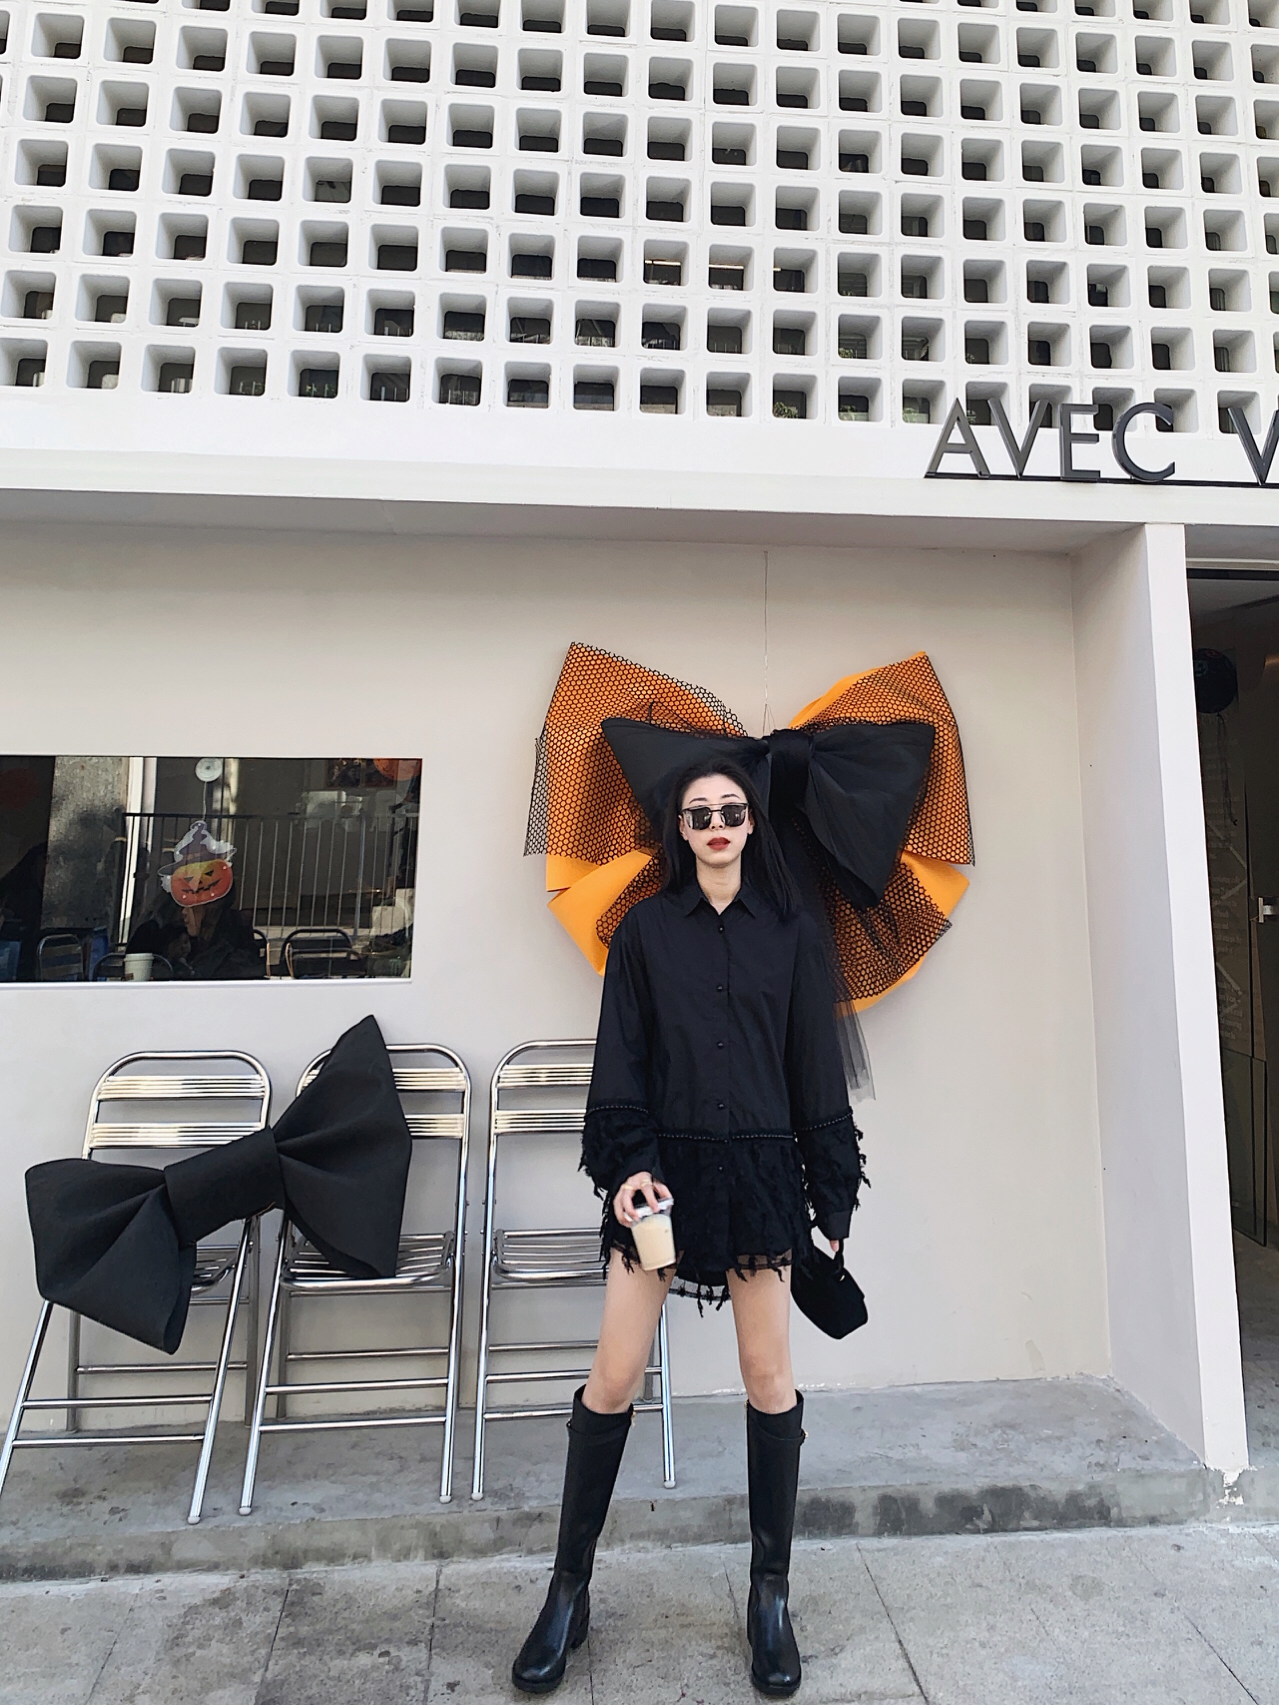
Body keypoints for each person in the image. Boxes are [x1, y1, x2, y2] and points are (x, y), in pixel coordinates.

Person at [512, 759, 865, 1699]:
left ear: (751, 825)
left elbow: (814, 1072)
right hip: (659, 1181)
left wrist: (830, 1199)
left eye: (730, 810)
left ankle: (769, 1596)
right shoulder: (641, 931)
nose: (715, 823)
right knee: (613, 1374)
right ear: (678, 827)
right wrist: (628, 1167)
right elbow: (619, 1061)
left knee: (767, 1375)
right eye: (698, 812)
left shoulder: (792, 933)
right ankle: (567, 1590)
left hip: (757, 1178)